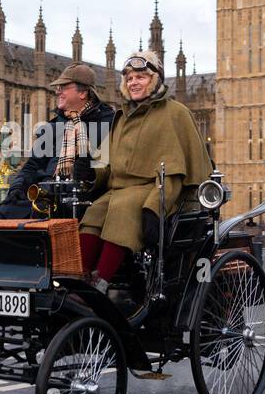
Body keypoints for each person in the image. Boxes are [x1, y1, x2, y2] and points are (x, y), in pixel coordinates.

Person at [78, 50, 210, 294]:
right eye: (129, 78)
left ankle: (101, 284)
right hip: (120, 190)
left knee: (122, 209)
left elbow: (174, 172)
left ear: (155, 79)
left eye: (141, 77)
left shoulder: (175, 113)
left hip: (154, 191)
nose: (134, 82)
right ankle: (80, 279)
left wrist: (154, 208)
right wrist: (88, 170)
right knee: (94, 213)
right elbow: (106, 164)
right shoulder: (123, 116)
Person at [0, 63, 116, 220]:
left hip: (80, 198)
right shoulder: (54, 125)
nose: (57, 91)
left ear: (83, 93)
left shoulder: (107, 123)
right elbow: (33, 165)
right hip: (44, 193)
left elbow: (101, 170)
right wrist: (17, 189)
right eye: (58, 87)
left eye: (64, 86)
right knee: (5, 211)